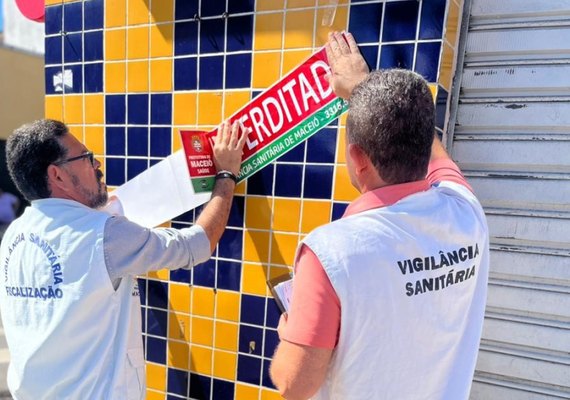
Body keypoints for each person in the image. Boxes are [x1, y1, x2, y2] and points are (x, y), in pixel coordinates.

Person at [270, 32, 490, 400]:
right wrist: (362, 88)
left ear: (358, 159)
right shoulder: (465, 212)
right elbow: (440, 161)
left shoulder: (331, 253)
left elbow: (295, 384)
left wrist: (290, 331)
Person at [0, 118, 246, 399]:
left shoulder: (14, 234)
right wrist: (226, 173)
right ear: (57, 176)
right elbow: (197, 244)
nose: (97, 164)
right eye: (86, 157)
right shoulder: (104, 235)